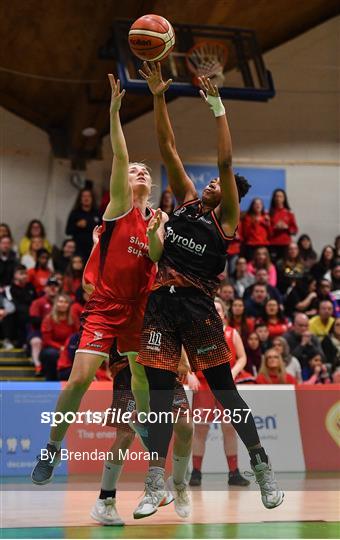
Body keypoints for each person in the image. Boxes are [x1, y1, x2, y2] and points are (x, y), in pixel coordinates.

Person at [135, 63, 283, 517]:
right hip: (161, 307)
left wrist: (217, 106)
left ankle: (261, 467)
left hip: (200, 311)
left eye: (220, 184)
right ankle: (154, 481)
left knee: (225, 391)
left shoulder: (228, 221)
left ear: (231, 196)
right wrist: (159, 95)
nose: (212, 183)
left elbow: (224, 162)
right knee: (161, 396)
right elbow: (168, 147)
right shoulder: (186, 204)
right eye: (212, 183)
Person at [31, 75, 162, 485]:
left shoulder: (157, 219)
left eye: (145, 171)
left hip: (140, 308)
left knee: (140, 375)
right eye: (135, 169)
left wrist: (159, 232)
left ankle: (145, 428)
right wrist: (114, 113)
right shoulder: (119, 208)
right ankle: (51, 446)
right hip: (105, 306)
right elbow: (121, 160)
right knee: (81, 377)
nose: (138, 171)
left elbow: (156, 257)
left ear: (151, 185)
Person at [91, 343, 193, 525]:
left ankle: (178, 484)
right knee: (125, 435)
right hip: (127, 367)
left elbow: (173, 326)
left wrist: (183, 359)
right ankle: (105, 500)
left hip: (162, 364)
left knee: (185, 427)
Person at [188, 298, 250, 488]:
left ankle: (234, 473)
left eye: (218, 309)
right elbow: (185, 357)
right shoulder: (196, 333)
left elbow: (242, 358)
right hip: (204, 386)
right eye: (211, 309)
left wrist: (233, 372)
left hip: (226, 387)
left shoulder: (232, 333)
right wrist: (190, 375)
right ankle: (196, 473)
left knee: (230, 429)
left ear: (223, 314)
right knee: (200, 430)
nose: (215, 312)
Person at [40, 294, 77, 380]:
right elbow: (47, 340)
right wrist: (61, 347)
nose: (63, 304)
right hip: (53, 348)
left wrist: (67, 347)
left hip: (69, 347)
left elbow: (76, 335)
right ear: (55, 304)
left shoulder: (73, 318)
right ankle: (51, 380)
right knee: (51, 354)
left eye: (66, 302)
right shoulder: (48, 319)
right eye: (60, 302)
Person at [28, 278, 60, 374]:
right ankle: (37, 364)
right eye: (50, 286)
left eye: (55, 286)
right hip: (38, 331)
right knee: (36, 341)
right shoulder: (38, 302)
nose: (53, 288)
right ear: (45, 288)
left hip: (57, 331)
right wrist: (48, 321)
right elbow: (34, 320)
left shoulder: (62, 302)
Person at [5, 264, 36, 347]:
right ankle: (9, 340)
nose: (25, 276)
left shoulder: (30, 286)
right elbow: (12, 304)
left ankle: (28, 342)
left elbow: (35, 301)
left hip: (29, 312)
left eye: (26, 273)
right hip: (17, 313)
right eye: (21, 273)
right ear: (15, 275)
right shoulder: (10, 288)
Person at [66, 189, 101, 261]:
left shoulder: (98, 213)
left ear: (92, 198)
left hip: (93, 247)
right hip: (78, 248)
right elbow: (68, 231)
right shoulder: (75, 213)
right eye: (84, 196)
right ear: (80, 199)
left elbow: (102, 229)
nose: (86, 198)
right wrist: (77, 225)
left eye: (88, 196)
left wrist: (88, 224)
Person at [268, 189, 298, 262]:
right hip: (273, 244)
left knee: (285, 264)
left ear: (284, 198)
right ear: (274, 198)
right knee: (274, 265)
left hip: (286, 244)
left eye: (280, 196)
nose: (278, 198)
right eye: (277, 196)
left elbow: (295, 230)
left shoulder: (289, 213)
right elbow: (266, 231)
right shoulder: (269, 213)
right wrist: (275, 227)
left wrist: (287, 227)